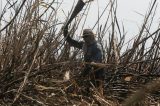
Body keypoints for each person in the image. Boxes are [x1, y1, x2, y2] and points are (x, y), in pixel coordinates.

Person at [63, 26, 105, 95]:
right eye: (84, 37)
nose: (85, 38)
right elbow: (71, 42)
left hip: (98, 71)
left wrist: (92, 63)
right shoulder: (84, 45)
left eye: (87, 37)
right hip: (88, 68)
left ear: (91, 36)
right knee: (82, 82)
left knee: (97, 89)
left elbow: (98, 58)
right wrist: (65, 32)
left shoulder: (97, 47)